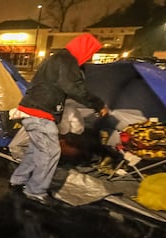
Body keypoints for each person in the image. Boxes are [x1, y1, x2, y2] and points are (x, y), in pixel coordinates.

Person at [9, 33, 108, 205]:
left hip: (30, 109)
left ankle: (18, 179)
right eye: (91, 52)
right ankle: (35, 191)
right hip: (41, 113)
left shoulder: (56, 58)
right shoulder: (67, 60)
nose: (90, 57)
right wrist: (98, 104)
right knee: (50, 152)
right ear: (84, 48)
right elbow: (73, 87)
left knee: (35, 151)